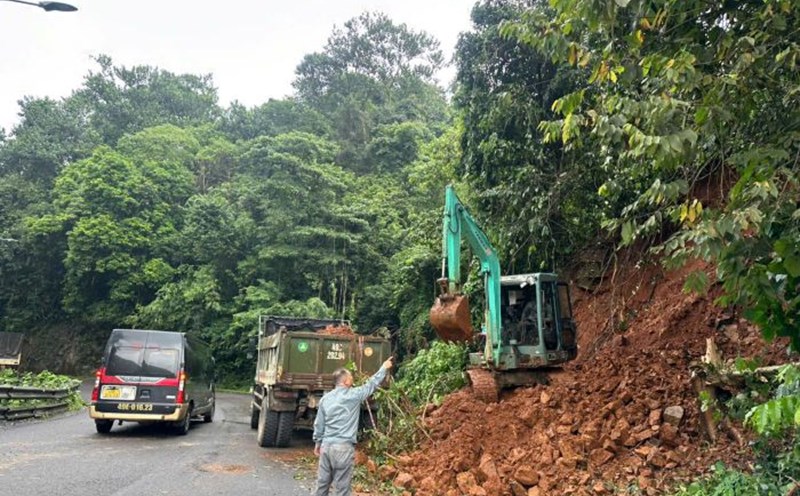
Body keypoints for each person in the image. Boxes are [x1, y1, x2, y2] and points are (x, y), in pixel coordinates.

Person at [313, 356, 394, 496]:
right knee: (342, 488)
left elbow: (319, 424)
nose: (353, 379)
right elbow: (371, 384)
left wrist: (318, 443)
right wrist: (384, 368)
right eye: (351, 377)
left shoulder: (325, 399)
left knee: (321, 485)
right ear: (345, 381)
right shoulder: (353, 395)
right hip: (343, 448)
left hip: (326, 447)